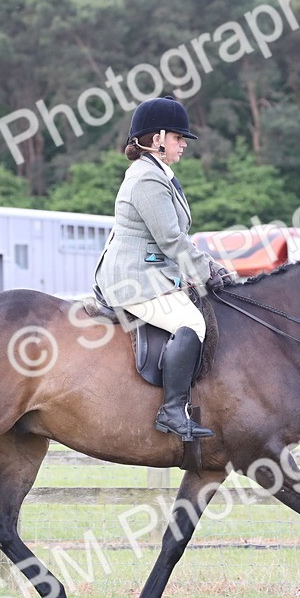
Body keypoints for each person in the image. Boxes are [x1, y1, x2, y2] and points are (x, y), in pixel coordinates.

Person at [93, 95, 229, 442]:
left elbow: (178, 237)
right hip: (133, 278)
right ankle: (171, 412)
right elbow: (170, 240)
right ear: (157, 139)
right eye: (178, 138)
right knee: (191, 322)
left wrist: (211, 266)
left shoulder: (158, 174)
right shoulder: (147, 180)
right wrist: (207, 272)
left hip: (151, 272)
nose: (183, 144)